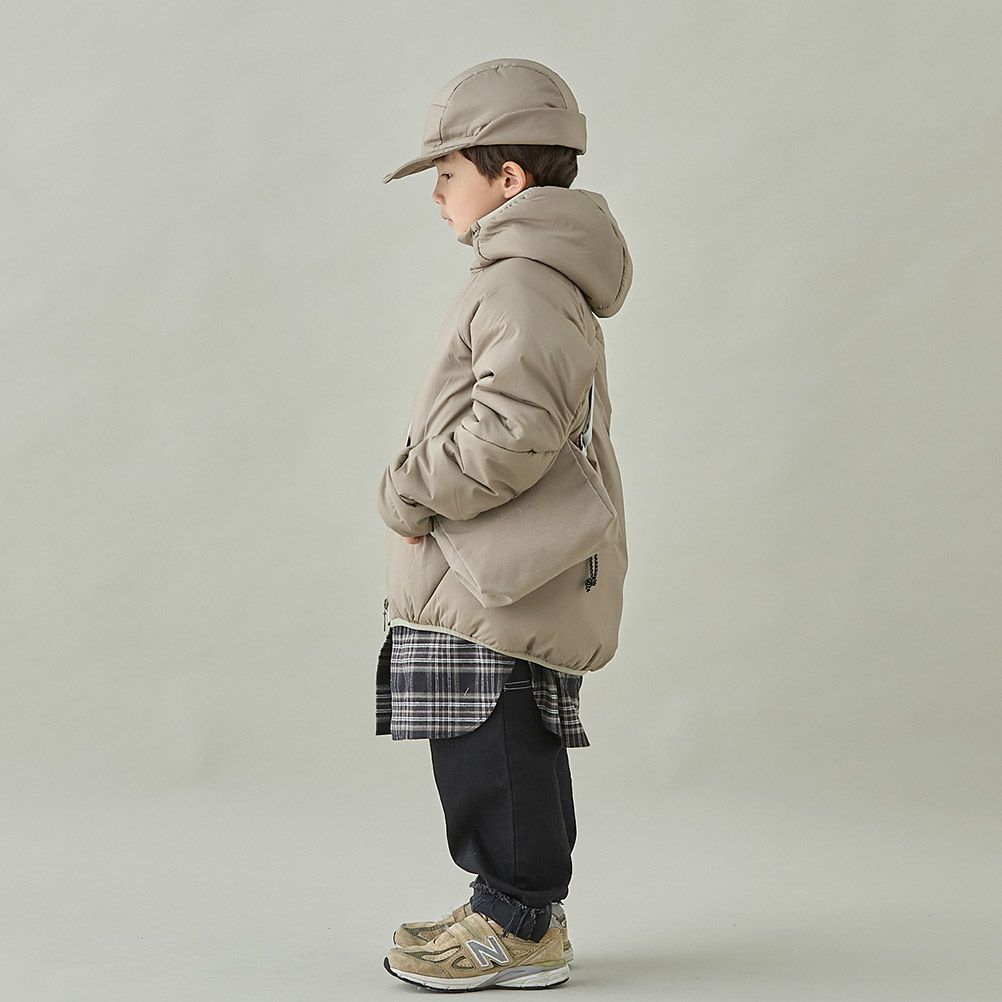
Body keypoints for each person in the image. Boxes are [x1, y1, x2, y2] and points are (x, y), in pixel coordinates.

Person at [374, 57, 633, 992]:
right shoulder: (527, 275)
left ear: (508, 178)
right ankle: (512, 908)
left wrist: (407, 492)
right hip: (500, 565)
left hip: (498, 574)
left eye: (448, 172)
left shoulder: (520, 280)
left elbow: (513, 432)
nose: (437, 193)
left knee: (497, 745)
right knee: (495, 741)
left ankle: (518, 925)